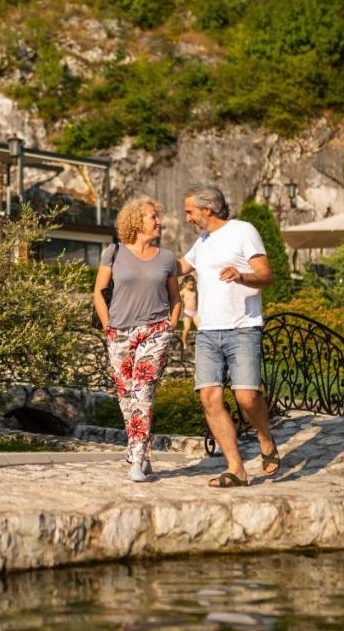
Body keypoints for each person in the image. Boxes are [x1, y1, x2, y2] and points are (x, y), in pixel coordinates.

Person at [178, 184, 278, 488]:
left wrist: (242, 275)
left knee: (247, 397)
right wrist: (139, 255)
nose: (187, 218)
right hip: (207, 332)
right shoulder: (203, 241)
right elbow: (178, 267)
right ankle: (236, 468)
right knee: (209, 397)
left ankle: (265, 438)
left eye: (189, 212)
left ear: (207, 210)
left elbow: (267, 276)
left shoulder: (243, 230)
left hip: (243, 327)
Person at [93, 197, 181, 483]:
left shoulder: (166, 257)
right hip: (119, 332)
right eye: (153, 217)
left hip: (155, 332)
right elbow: (99, 291)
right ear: (137, 221)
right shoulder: (114, 252)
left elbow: (175, 298)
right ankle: (143, 453)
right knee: (127, 396)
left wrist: (170, 325)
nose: (159, 221)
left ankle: (136, 459)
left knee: (143, 393)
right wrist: (108, 327)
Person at [179, 274, 199, 356]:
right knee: (187, 328)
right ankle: (184, 342)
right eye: (190, 284)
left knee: (201, 327)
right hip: (187, 312)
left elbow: (198, 300)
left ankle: (199, 343)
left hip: (195, 312)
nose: (192, 286)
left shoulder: (195, 291)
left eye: (193, 284)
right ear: (185, 283)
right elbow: (177, 298)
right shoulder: (183, 291)